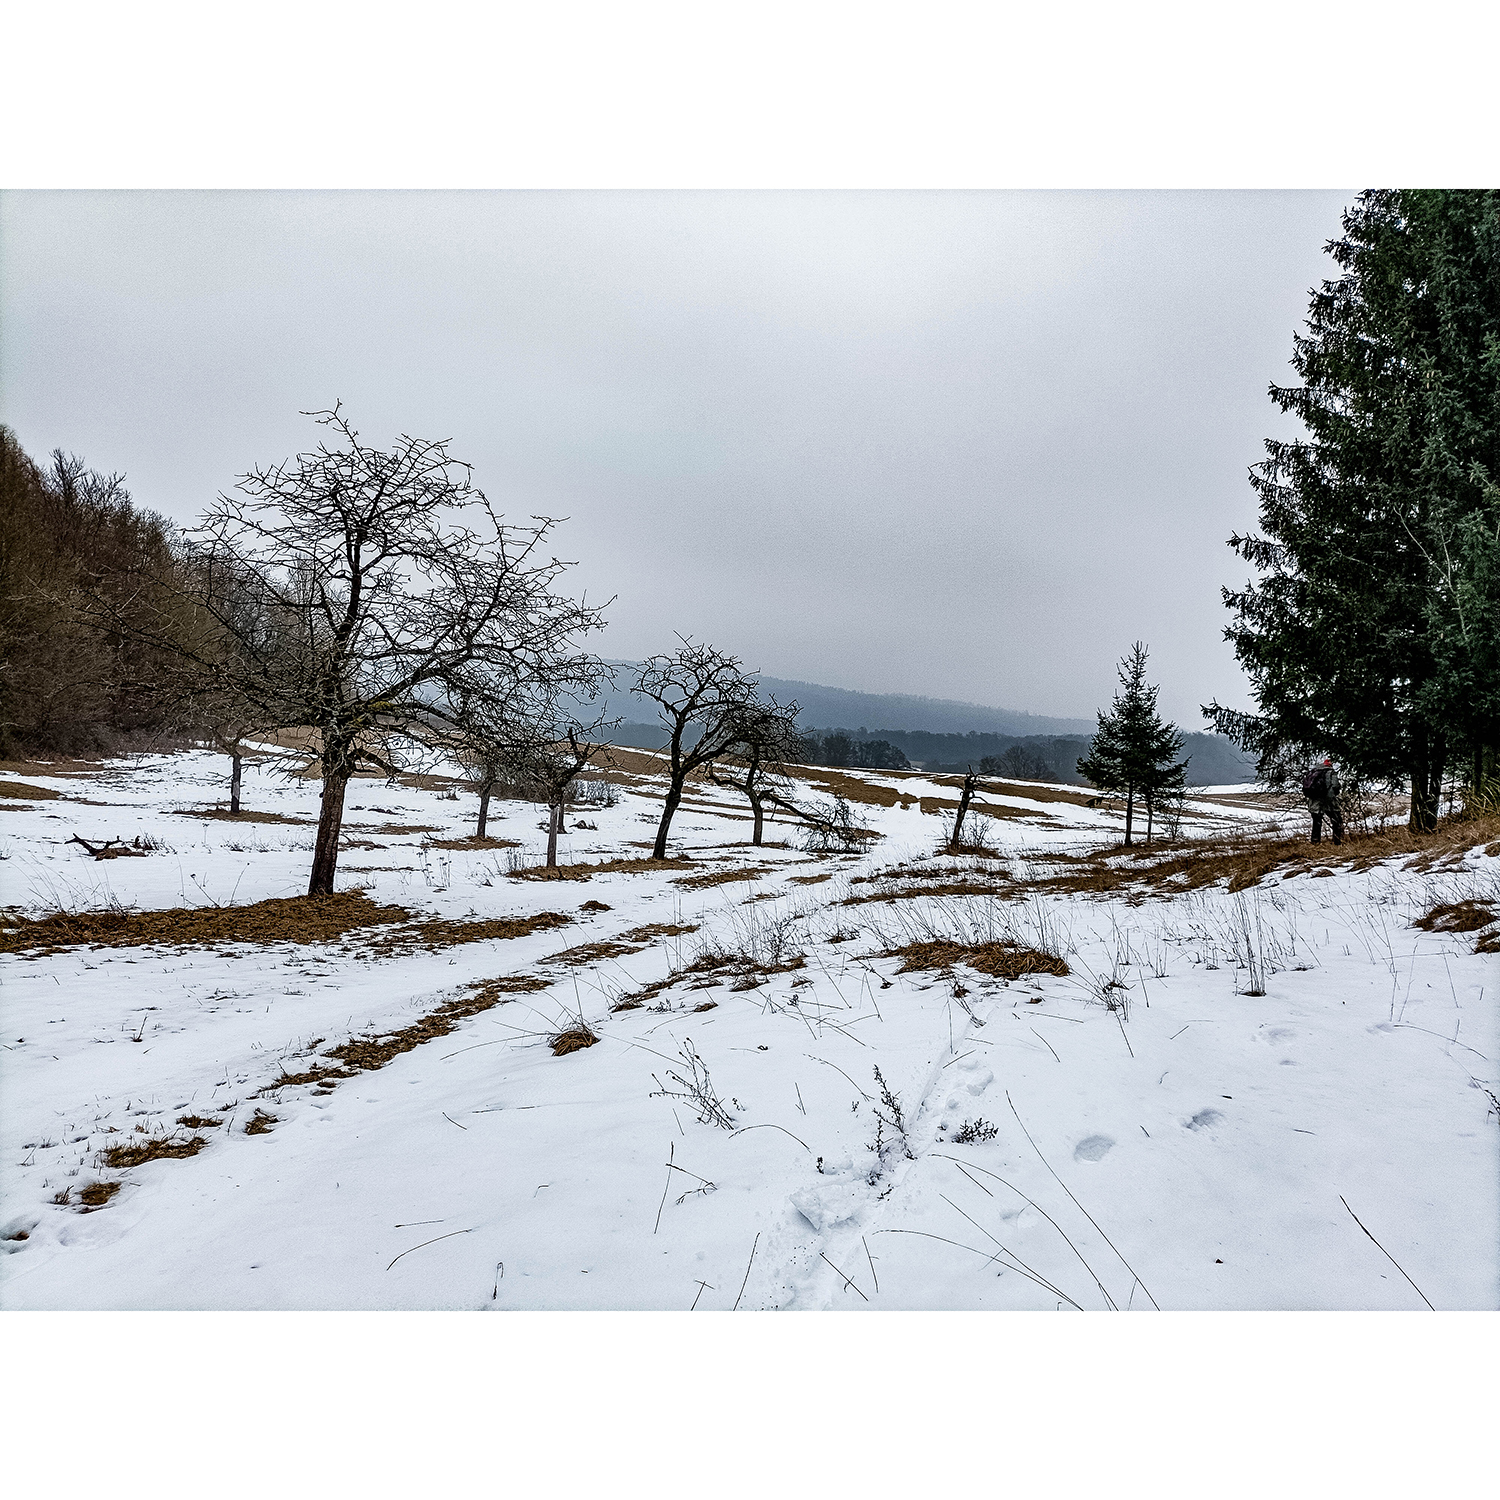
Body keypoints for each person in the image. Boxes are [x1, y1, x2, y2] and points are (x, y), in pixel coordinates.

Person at [1303, 756, 1342, 844]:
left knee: (1317, 821)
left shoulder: (1313, 772)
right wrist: (1333, 796)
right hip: (1328, 800)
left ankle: (1315, 841)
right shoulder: (1331, 772)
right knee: (1337, 820)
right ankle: (1337, 841)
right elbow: (1335, 786)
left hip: (1314, 800)